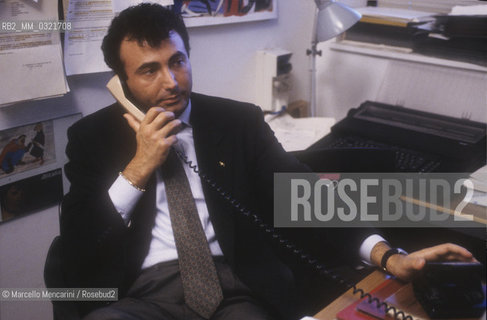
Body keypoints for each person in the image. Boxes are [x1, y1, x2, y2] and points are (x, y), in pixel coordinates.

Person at [59, 4, 476, 320]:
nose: (171, 81)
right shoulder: (93, 138)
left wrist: (388, 255)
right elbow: (78, 241)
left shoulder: (235, 120)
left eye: (178, 61)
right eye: (149, 70)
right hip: (144, 294)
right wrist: (138, 168)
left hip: (235, 287)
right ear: (122, 82)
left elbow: (305, 194)